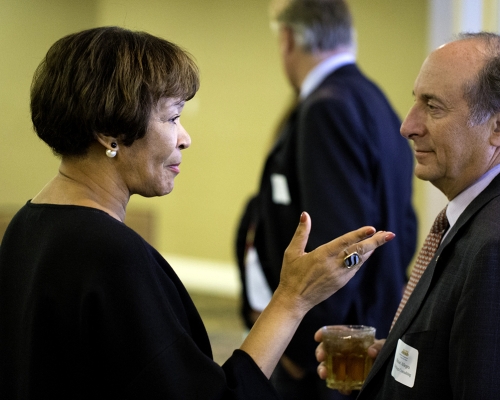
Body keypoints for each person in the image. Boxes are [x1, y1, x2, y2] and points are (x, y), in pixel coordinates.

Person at [0, 27, 394, 399]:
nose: (185, 138)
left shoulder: (27, 225)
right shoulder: (110, 255)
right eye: (172, 118)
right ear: (109, 132)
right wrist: (292, 298)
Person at [235, 1, 416, 398]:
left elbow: (336, 240)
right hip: (373, 325)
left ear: (287, 39)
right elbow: (405, 224)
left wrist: (299, 352)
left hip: (326, 355)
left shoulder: (325, 109)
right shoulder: (378, 101)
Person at [314, 31, 500, 399]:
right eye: (415, 101)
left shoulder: (492, 246)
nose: (407, 126)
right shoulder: (468, 219)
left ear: (496, 128)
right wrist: (390, 369)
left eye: (433, 106)